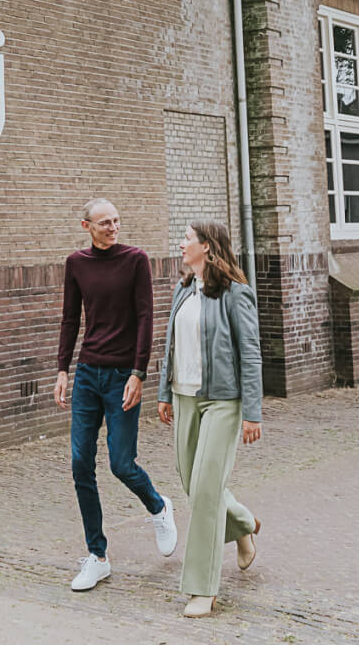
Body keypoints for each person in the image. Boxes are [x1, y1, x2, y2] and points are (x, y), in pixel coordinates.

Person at [55, 198, 179, 592]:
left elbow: (146, 317)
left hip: (123, 374)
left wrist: (139, 372)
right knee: (79, 463)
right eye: (105, 222)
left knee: (122, 464)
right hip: (88, 374)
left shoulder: (135, 260)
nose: (113, 227)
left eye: (117, 221)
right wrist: (62, 369)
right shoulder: (76, 264)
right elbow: (70, 317)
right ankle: (97, 556)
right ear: (86, 226)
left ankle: (158, 506)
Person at [156, 220, 263, 618]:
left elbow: (250, 354)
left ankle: (203, 588)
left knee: (204, 491)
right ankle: (243, 523)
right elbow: (169, 346)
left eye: (187, 239)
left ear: (208, 247)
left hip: (223, 401)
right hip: (184, 399)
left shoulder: (237, 295)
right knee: (191, 481)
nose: (181, 244)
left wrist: (252, 412)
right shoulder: (183, 290)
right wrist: (165, 393)